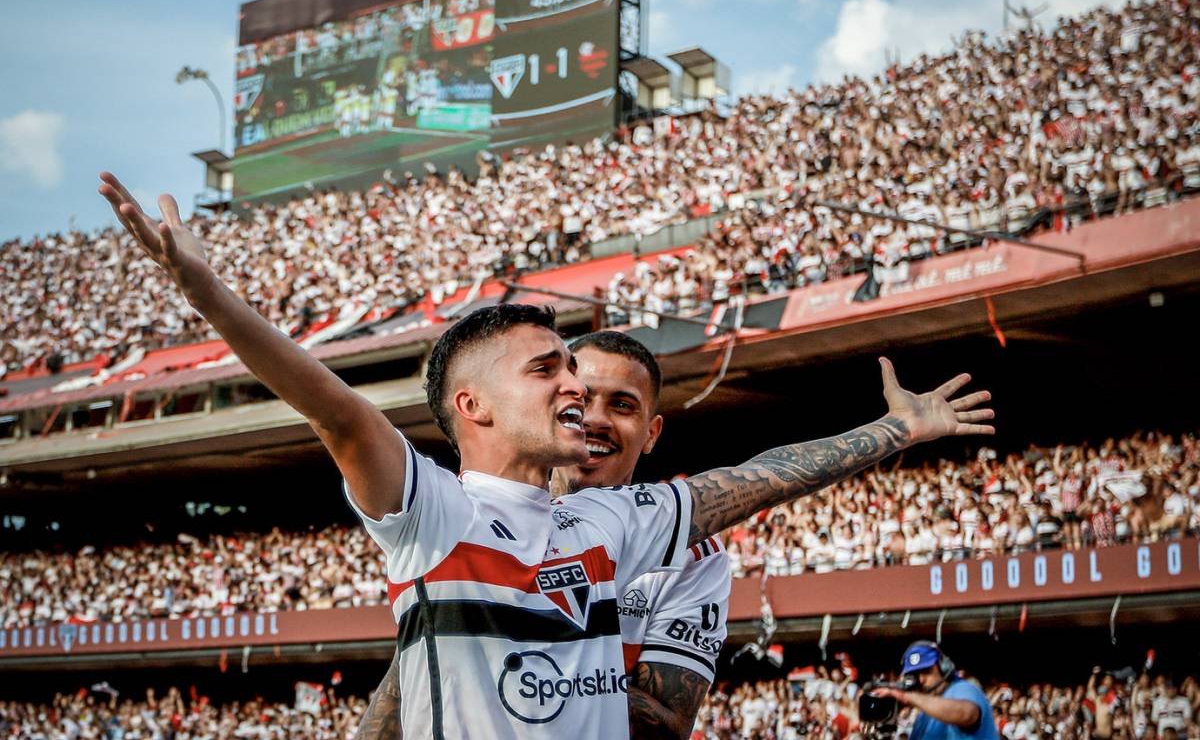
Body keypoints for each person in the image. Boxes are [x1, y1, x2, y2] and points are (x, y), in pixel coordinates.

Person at [99, 172, 993, 739]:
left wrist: (898, 432)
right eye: (550, 370)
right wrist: (209, 294)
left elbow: (751, 480)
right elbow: (334, 410)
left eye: (582, 371)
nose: (574, 386)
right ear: (471, 405)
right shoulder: (431, 511)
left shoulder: (610, 520)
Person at [356, 331, 731, 740]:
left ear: (651, 433)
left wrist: (526, 660)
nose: (595, 419)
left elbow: (668, 723)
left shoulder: (695, 552)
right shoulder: (468, 519)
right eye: (582, 400)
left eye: (622, 405)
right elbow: (413, 674)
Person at [873, 641, 999, 740]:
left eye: (927, 671)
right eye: (915, 675)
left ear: (944, 667)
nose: (921, 679)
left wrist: (906, 696)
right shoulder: (925, 713)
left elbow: (966, 714)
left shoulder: (963, 688)